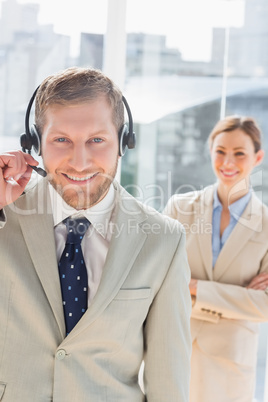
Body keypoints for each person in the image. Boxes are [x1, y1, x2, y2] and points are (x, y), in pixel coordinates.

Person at [0, 67, 191, 402]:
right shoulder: (5, 214)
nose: (79, 161)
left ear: (124, 143)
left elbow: (168, 380)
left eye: (96, 140)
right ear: (34, 145)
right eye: (61, 140)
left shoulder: (164, 240)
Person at [164, 115, 268, 402]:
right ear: (210, 152)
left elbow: (265, 305)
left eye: (239, 154)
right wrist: (238, 298)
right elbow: (160, 280)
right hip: (173, 350)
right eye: (220, 151)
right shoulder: (180, 208)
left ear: (257, 157)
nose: (228, 162)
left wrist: (195, 287)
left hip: (230, 363)